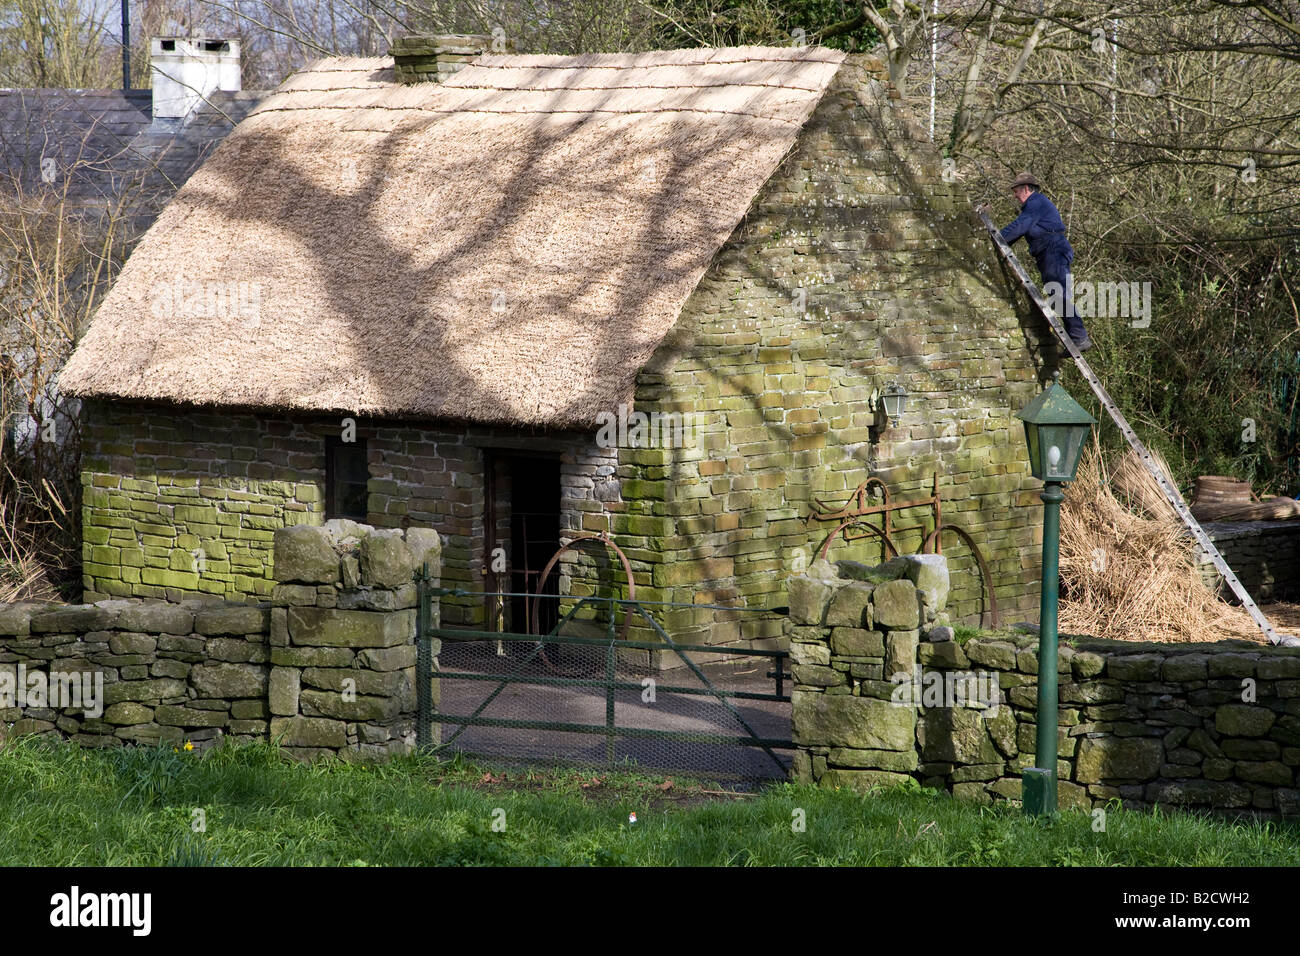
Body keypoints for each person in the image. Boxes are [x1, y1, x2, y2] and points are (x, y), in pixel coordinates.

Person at [987, 172, 1092, 353]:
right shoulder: (1036, 205)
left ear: (1027, 189)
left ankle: (1079, 337)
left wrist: (997, 238)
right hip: (1049, 252)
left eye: (1016, 191)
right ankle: (1076, 336)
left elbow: (1020, 226)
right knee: (1057, 294)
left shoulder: (1036, 203)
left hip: (1053, 250)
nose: (1014, 195)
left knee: (1058, 294)